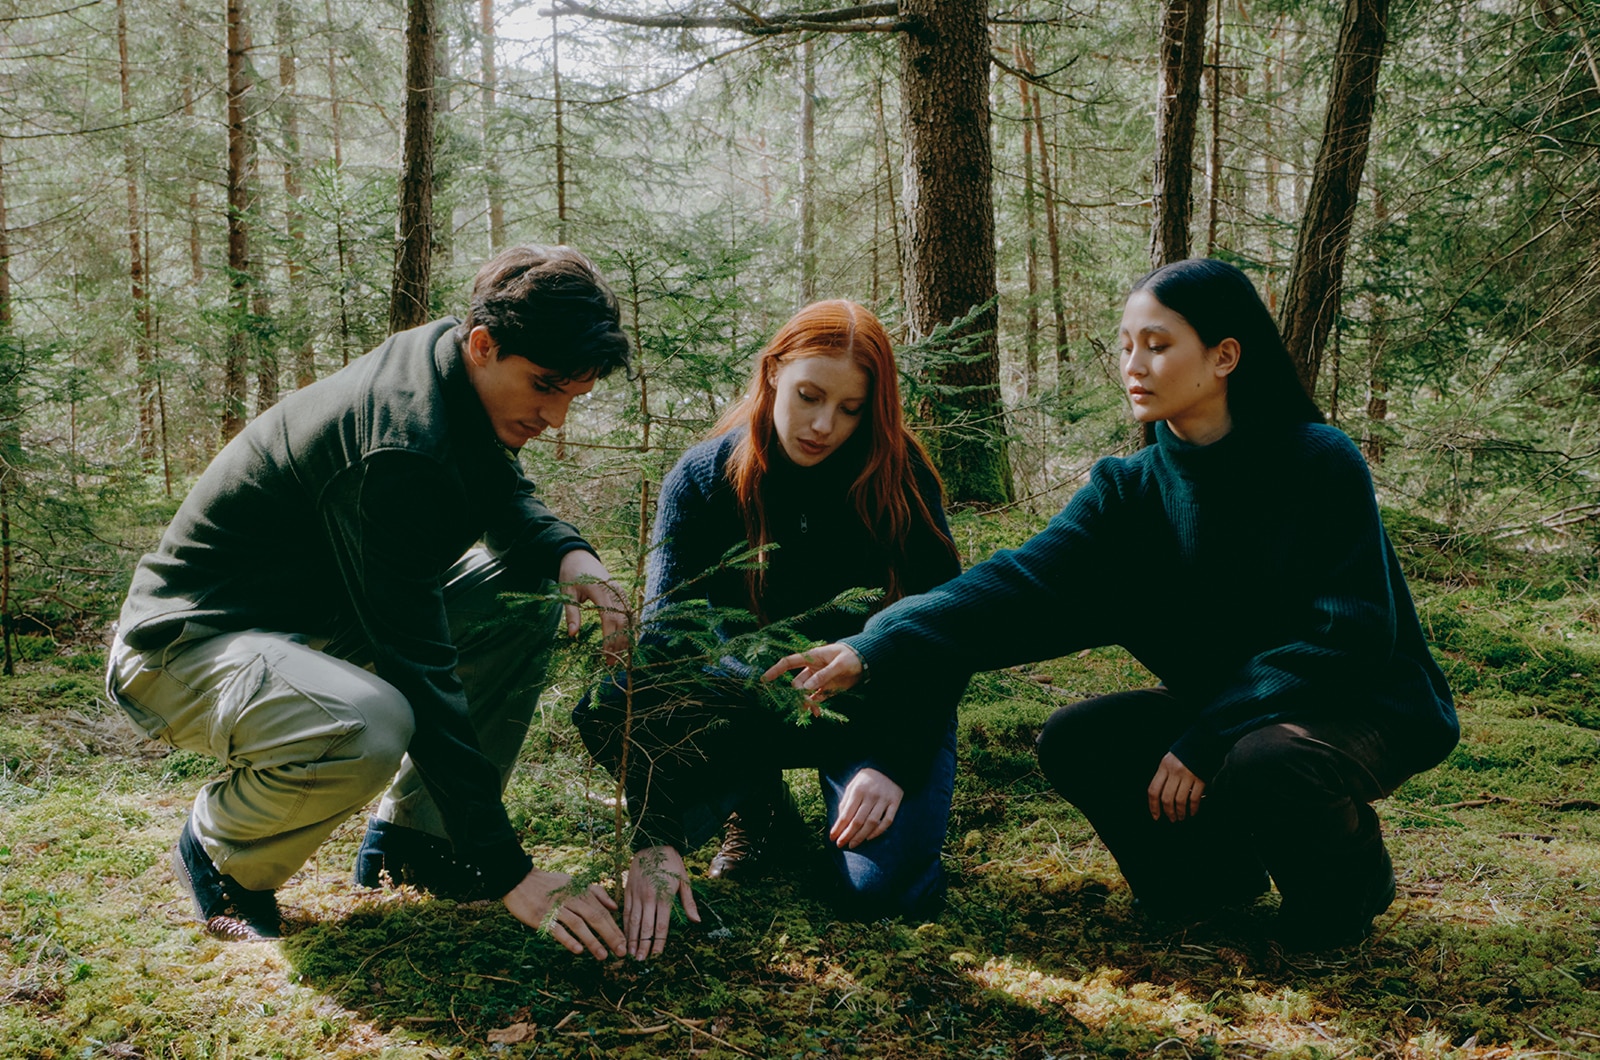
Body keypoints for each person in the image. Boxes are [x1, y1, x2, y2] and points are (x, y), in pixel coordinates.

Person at [764, 259, 1460, 951]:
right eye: (1126, 345)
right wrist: (875, 644)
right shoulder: (1128, 494)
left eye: (1158, 345)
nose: (1135, 363)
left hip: (1361, 703)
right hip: (1229, 714)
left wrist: (1206, 738)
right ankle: (1211, 884)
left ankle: (1346, 893)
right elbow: (1016, 585)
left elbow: (1350, 635)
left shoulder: (1315, 460)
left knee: (1266, 762)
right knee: (1081, 738)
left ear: (1224, 356)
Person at [107, 245, 632, 958]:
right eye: (545, 387)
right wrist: (511, 870)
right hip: (181, 650)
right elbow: (417, 666)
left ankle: (421, 842)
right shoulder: (397, 445)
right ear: (484, 344)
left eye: (574, 395)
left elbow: (496, 487)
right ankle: (223, 852)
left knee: (523, 591)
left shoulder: (448, 366)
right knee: (370, 722)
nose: (557, 417)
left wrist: (572, 555)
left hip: (305, 633)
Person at [574, 300, 964, 960]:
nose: (823, 425)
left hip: (876, 709)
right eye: (810, 395)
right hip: (746, 702)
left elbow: (944, 632)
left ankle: (866, 816)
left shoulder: (901, 478)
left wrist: (894, 766)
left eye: (850, 409)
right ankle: (757, 805)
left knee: (878, 892)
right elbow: (668, 646)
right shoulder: (704, 478)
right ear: (773, 372)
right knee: (608, 700)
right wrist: (654, 838)